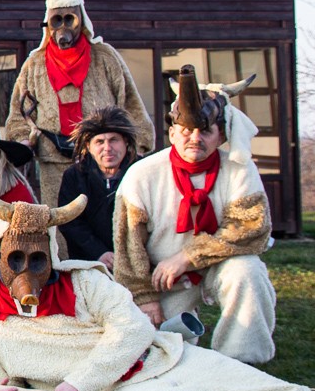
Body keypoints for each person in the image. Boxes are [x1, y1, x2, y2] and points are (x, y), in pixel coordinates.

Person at [0, 189, 315, 391]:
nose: (26, 273)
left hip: (163, 356)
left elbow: (134, 326)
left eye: (38, 261)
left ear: (51, 255)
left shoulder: (84, 282)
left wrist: (79, 380)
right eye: (15, 260)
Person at [113, 65, 274, 365]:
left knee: (248, 272)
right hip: (163, 279)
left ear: (221, 136)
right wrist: (144, 297)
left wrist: (187, 257)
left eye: (206, 131)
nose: (195, 138)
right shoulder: (142, 175)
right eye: (186, 130)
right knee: (160, 354)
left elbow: (252, 229)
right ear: (172, 133)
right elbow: (127, 248)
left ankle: (242, 365)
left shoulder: (239, 169)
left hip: (218, 267)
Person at [5, 0, 155, 208]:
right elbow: (18, 111)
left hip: (102, 159)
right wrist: (22, 140)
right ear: (48, 24)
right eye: (57, 20)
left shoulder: (105, 57)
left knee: (104, 215)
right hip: (53, 160)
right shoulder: (35, 63)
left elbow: (130, 101)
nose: (63, 28)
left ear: (80, 21)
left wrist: (140, 144)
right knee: (60, 221)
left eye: (69, 19)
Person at [57, 107, 141, 266]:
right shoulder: (74, 176)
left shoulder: (141, 171)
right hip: (89, 264)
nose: (107, 148)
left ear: (126, 142)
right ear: (88, 146)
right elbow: (69, 221)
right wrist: (98, 252)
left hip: (136, 260)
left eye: (114, 140)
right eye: (100, 142)